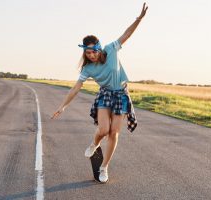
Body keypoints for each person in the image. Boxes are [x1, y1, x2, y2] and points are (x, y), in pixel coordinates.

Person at [51, 2, 148, 183]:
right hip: (105, 94)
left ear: (98, 48)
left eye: (93, 52)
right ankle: (94, 144)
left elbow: (126, 34)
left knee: (114, 133)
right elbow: (76, 88)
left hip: (120, 94)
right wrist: (63, 106)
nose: (91, 56)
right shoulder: (87, 69)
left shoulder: (111, 49)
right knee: (103, 130)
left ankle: (104, 167)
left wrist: (138, 19)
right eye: (87, 53)